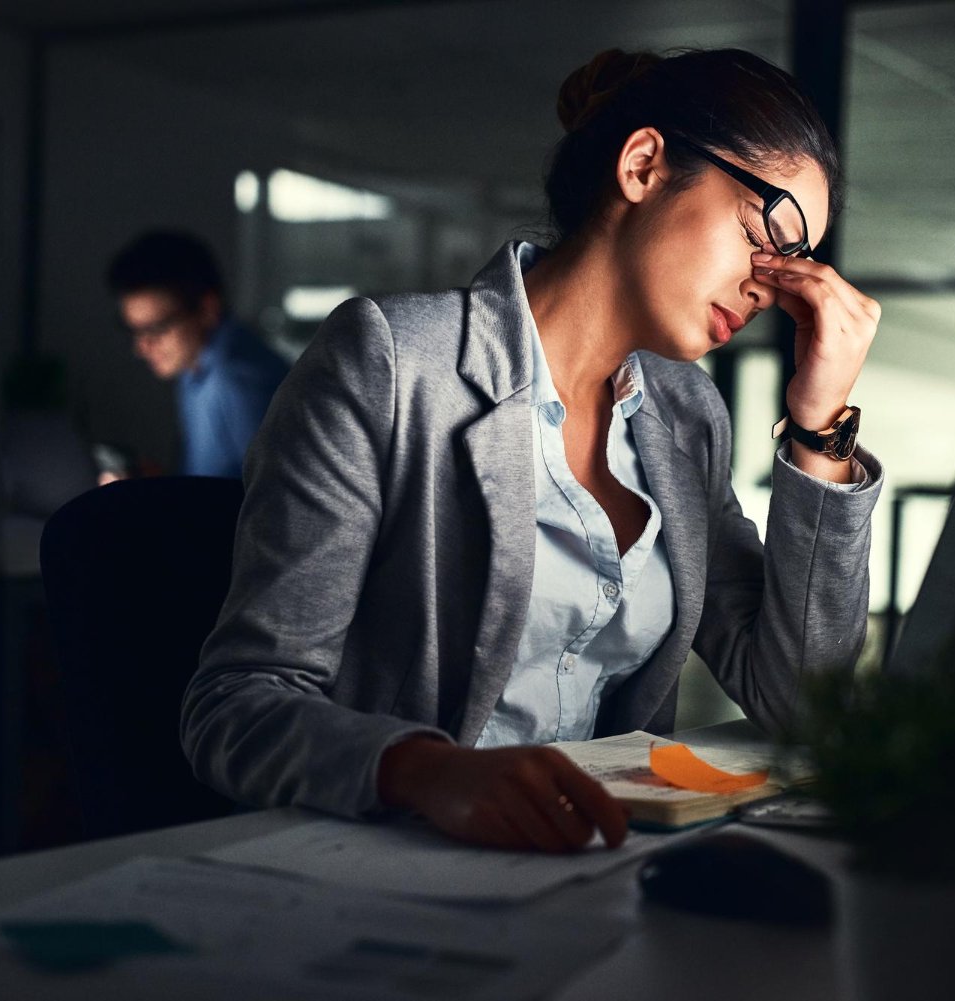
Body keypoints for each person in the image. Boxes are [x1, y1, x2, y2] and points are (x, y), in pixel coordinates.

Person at [182, 47, 884, 853]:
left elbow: (801, 700)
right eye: (772, 232)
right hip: (389, 864)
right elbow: (236, 701)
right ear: (645, 165)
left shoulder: (686, 417)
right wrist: (421, 769)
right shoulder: (393, 361)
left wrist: (818, 422)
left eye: (798, 260)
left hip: (590, 870)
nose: (773, 283)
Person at [105, 229, 290, 479]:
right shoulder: (194, 365)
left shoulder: (238, 381)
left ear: (207, 309)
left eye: (156, 328)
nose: (142, 347)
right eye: (135, 331)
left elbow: (275, 508)